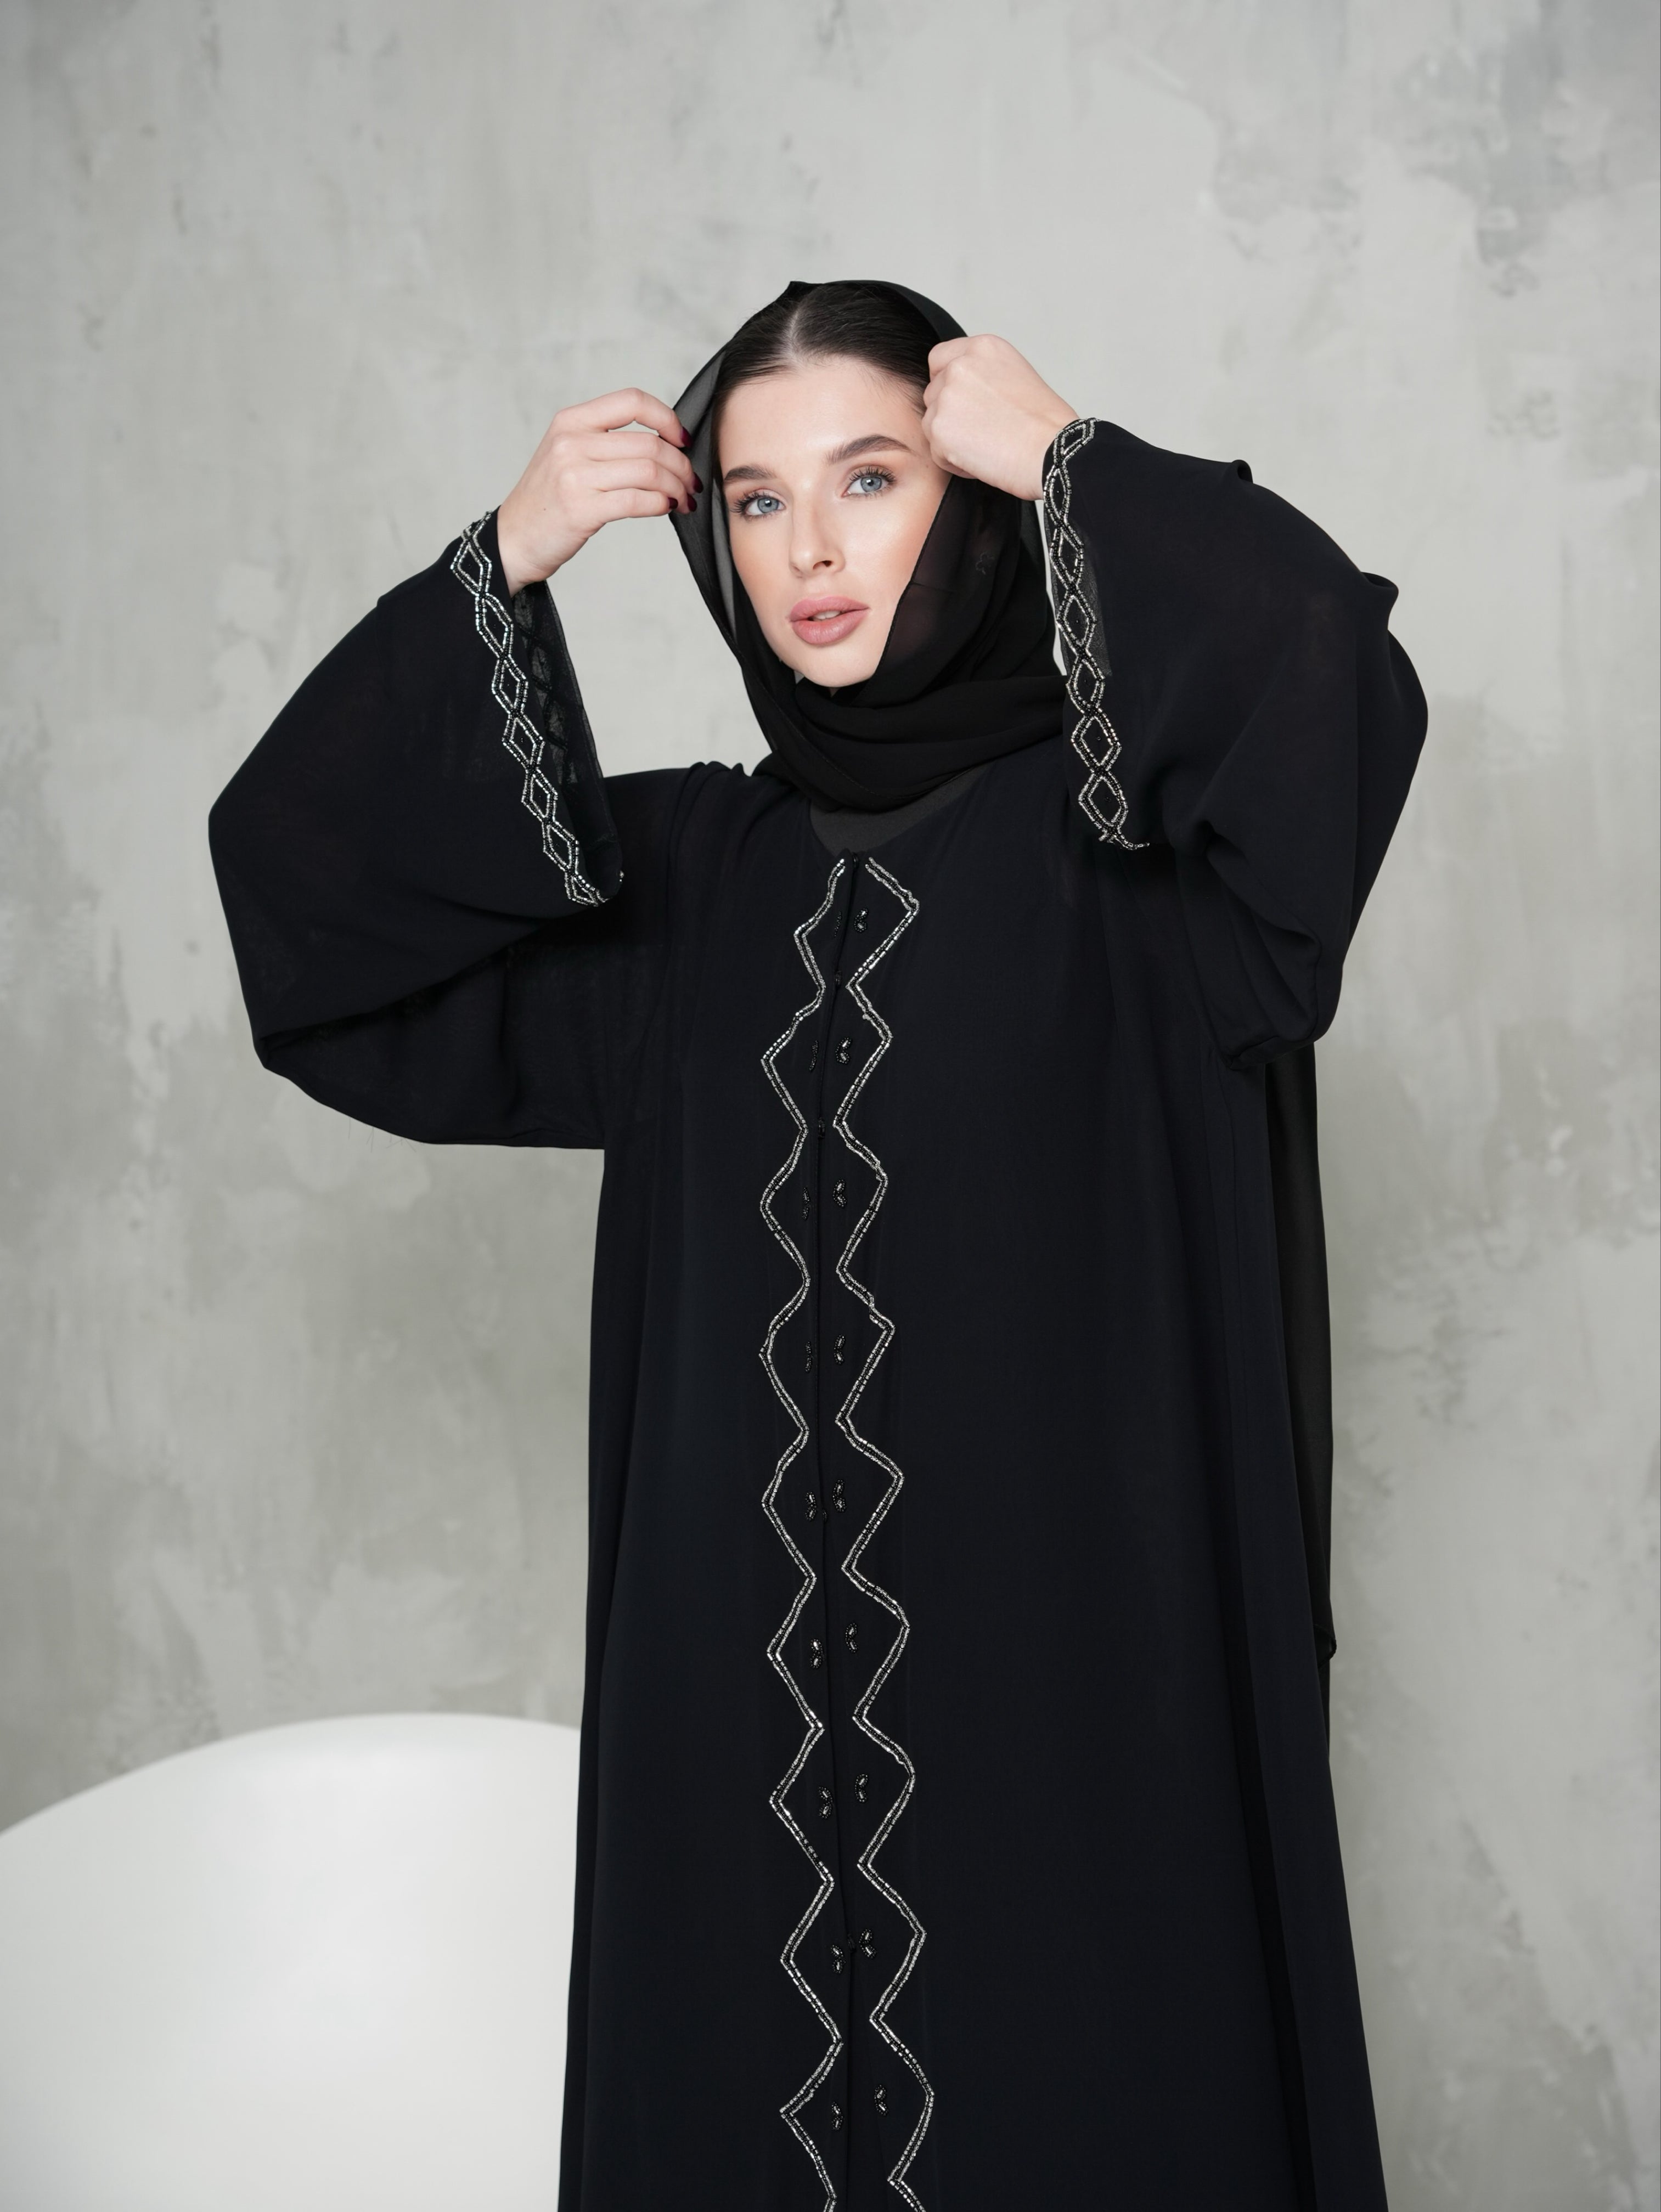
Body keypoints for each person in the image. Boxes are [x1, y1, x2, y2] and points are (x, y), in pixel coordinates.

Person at [209, 279, 1426, 2210]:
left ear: (972, 505)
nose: (811, 551)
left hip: (1087, 1736)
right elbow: (311, 915)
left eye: (871, 479)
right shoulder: (693, 886)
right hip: (740, 1767)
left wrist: (1070, 457)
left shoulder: (1147, 862)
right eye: (758, 502)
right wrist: (505, 555)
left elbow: (1330, 685)